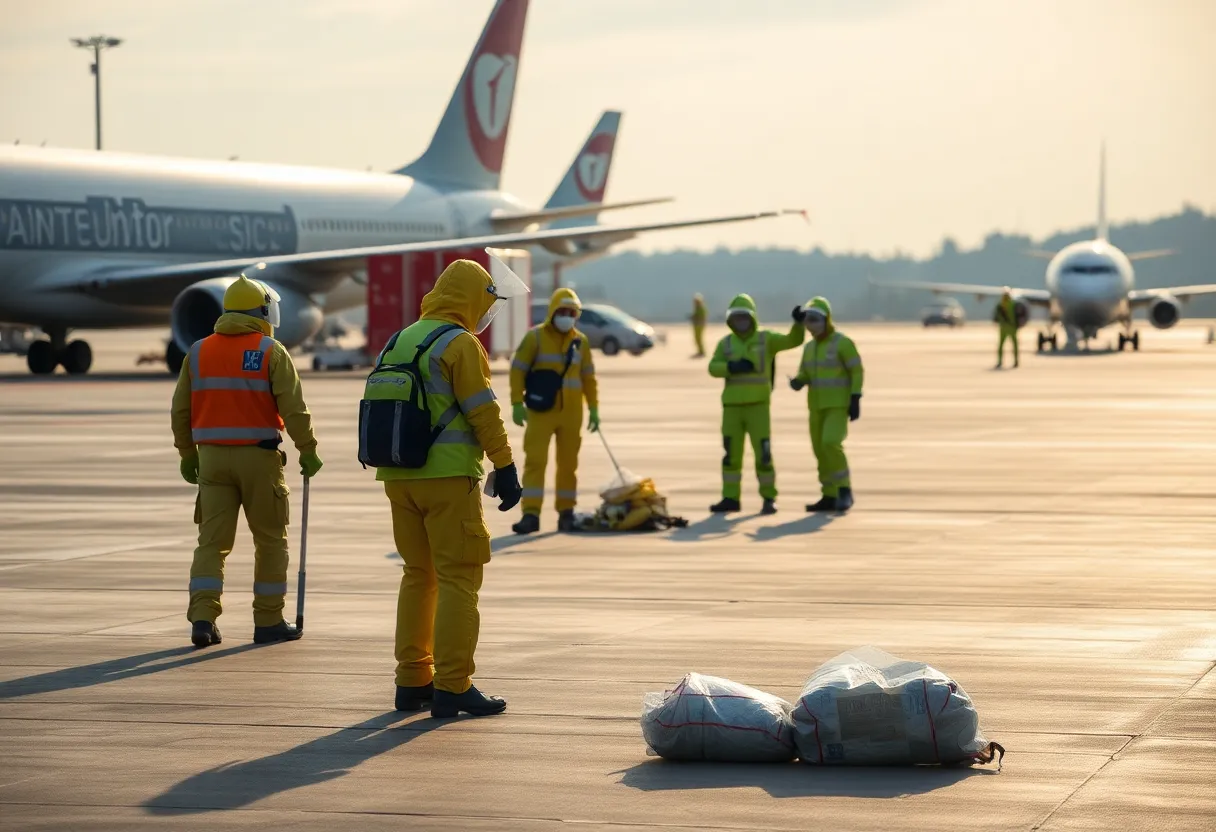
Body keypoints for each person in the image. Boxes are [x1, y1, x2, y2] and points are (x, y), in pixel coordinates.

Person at [370, 259, 524, 719]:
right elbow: (483, 412)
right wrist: (506, 464)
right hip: (448, 478)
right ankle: (453, 686)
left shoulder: (400, 339)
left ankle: (412, 680)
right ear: (472, 300)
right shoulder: (460, 344)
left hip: (398, 477)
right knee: (459, 579)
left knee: (418, 576)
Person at [172, 271, 323, 649]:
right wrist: (308, 449)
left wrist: (187, 453)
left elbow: (180, 411)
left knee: (211, 543)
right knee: (271, 541)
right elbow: (294, 408)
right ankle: (268, 620)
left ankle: (203, 619)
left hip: (211, 461)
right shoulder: (272, 352)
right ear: (263, 311)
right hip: (258, 459)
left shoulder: (198, 351)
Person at [509, 287, 600, 534]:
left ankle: (566, 513)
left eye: (572, 312)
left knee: (569, 465)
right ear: (552, 312)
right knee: (535, 462)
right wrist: (516, 402)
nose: (567, 316)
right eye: (563, 311)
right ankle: (530, 514)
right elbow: (518, 369)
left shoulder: (580, 342)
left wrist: (593, 408)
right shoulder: (535, 338)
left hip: (572, 414)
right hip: (541, 411)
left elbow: (589, 377)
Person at [708, 294, 804, 514]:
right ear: (730, 320)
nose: (740, 321)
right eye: (736, 317)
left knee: (763, 454)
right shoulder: (726, 343)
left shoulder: (765, 339)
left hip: (758, 407)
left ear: (752, 318)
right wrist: (731, 367)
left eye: (744, 317)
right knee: (731, 454)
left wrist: (798, 324)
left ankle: (769, 498)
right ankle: (730, 498)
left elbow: (793, 341)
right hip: (732, 408)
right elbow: (713, 367)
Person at [790, 297, 864, 512]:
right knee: (820, 450)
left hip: (837, 405)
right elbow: (806, 371)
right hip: (816, 406)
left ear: (826, 320)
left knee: (830, 443)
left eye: (815, 319)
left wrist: (855, 397)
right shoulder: (809, 348)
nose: (811, 324)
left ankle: (844, 490)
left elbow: (857, 370)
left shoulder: (842, 342)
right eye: (808, 320)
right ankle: (829, 494)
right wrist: (799, 380)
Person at [994, 289, 1020, 369]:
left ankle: (1000, 362)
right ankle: (1016, 361)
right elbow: (1019, 315)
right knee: (1014, 345)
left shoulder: (1000, 305)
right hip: (1012, 328)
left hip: (1003, 328)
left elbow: (996, 317)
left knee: (1001, 346)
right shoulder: (1014, 304)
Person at [691, 293, 708, 357]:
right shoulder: (697, 308)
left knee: (699, 339)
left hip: (699, 326)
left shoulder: (701, 308)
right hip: (696, 325)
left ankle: (702, 352)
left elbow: (703, 317)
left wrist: (695, 317)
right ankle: (700, 351)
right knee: (697, 339)